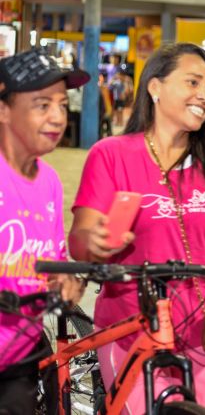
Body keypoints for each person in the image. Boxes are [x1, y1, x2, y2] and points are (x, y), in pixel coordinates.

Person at [68, 43, 205, 414]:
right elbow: (81, 237)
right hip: (135, 322)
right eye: (192, 82)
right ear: (155, 87)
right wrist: (94, 241)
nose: (204, 95)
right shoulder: (113, 154)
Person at [0, 49, 88, 414]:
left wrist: (66, 282)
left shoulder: (49, 180)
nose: (57, 117)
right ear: (4, 109)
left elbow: (51, 260)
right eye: (42, 105)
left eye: (62, 105)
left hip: (24, 353)